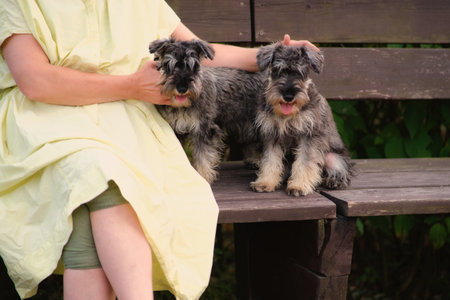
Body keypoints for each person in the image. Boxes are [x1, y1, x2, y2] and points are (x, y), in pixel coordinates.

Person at [0, 1, 318, 299]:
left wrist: (271, 53)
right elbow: (35, 81)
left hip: (123, 121)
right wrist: (132, 86)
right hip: (43, 121)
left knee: (89, 198)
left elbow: (202, 50)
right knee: (101, 170)